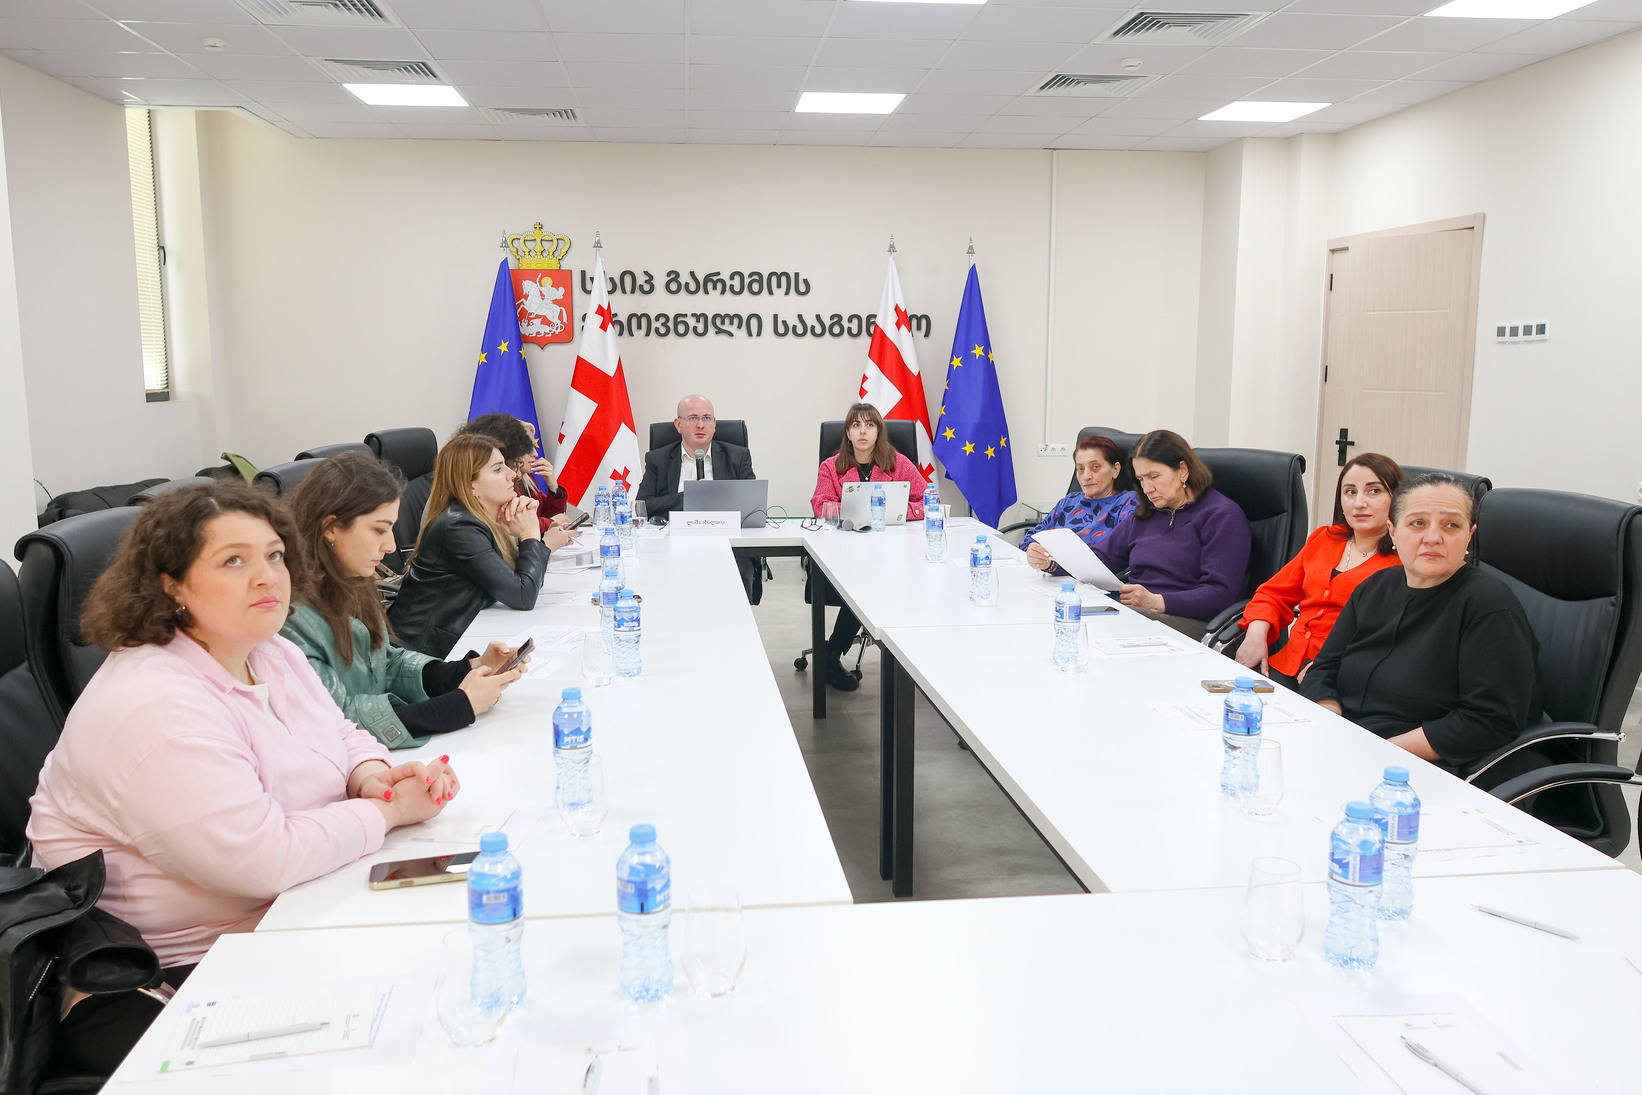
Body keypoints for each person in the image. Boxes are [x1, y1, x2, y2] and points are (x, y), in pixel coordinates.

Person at [26, 480, 457, 1073]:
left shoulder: (267, 650)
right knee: (423, 1036)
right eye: (234, 561)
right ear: (171, 585)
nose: (266, 577)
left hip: (289, 912)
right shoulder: (155, 706)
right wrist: (388, 812)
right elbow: (264, 860)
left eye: (274, 555)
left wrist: (372, 774)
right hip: (177, 975)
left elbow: (338, 730)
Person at [283, 452, 529, 750]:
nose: (391, 546)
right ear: (331, 528)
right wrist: (460, 705)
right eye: (379, 529)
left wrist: (468, 669)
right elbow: (339, 722)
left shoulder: (349, 580)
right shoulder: (288, 620)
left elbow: (386, 664)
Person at [1301, 472, 1541, 775]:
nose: (1433, 537)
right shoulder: (1374, 587)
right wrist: (1331, 726)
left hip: (1421, 765)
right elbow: (1324, 667)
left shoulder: (1490, 606)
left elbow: (1488, 720)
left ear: (1470, 535)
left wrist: (1374, 753)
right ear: (1392, 531)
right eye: (1417, 523)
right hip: (1349, 743)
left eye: (1452, 525)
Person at [389, 433, 574, 657]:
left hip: (463, 634)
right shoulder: (459, 527)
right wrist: (531, 535)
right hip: (425, 653)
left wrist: (526, 537)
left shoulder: (481, 518)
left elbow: (523, 580)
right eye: (498, 469)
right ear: (470, 487)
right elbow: (523, 595)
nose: (512, 474)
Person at [1236, 453, 1404, 687]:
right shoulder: (1325, 539)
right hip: (1288, 664)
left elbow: (1394, 637)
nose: (1359, 503)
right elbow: (1273, 594)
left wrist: (1336, 663)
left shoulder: (1404, 561)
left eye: (1374, 491)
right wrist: (1256, 631)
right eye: (1350, 492)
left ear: (1397, 498)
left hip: (1345, 676)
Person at [810, 402, 929, 691]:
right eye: (856, 425)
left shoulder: (899, 463)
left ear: (879, 431)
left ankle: (833, 653)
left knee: (881, 581)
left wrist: (892, 512)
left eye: (870, 425)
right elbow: (820, 506)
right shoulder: (831, 466)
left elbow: (927, 500)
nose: (863, 431)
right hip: (846, 552)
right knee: (862, 584)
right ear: (847, 433)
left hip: (895, 552)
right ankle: (832, 655)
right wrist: (860, 513)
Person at [1091, 429, 1250, 639]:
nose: (1147, 488)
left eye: (1154, 477)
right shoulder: (1146, 514)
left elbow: (1221, 594)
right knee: (1076, 617)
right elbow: (1100, 558)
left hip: (1193, 621)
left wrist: (1157, 601)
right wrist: (1053, 562)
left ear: (1182, 471)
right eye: (1141, 479)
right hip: (1142, 613)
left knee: (1102, 631)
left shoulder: (1222, 515)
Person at [1021, 434, 1138, 572]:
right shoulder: (1069, 501)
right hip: (1050, 579)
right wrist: (1034, 553)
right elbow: (1029, 540)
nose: (1086, 476)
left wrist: (1053, 566)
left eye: (1095, 467)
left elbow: (1116, 558)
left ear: (1115, 470)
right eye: (1080, 469)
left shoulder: (1128, 503)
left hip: (1093, 583)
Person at [634, 394, 756, 523]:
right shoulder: (658, 459)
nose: (701, 425)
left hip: (723, 531)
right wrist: (688, 496)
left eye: (707, 418)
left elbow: (753, 504)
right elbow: (642, 507)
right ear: (678, 425)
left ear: (714, 424)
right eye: (693, 418)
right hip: (674, 532)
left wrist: (715, 495)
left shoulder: (738, 457)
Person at [464, 412, 571, 532]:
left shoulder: (527, 479)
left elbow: (548, 516)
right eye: (527, 449)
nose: (535, 454)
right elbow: (514, 523)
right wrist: (551, 523)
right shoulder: (500, 485)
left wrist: (554, 489)